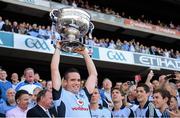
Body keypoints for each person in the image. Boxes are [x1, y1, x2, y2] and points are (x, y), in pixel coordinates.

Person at [51, 41, 98, 117]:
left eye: (78, 80)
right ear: (65, 82)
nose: (77, 83)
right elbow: (54, 69)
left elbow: (93, 74)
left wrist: (85, 54)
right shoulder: (60, 95)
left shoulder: (84, 95)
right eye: (73, 80)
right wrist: (58, 48)